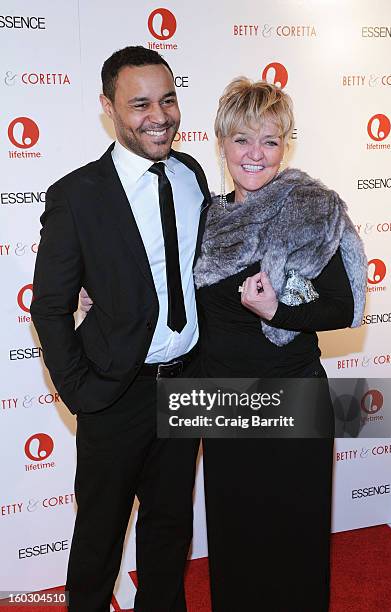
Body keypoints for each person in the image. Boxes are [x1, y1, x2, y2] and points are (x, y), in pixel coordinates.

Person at [30, 46, 211, 612]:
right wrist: (79, 388)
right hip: (115, 391)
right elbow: (50, 306)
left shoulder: (192, 174)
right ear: (109, 108)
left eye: (168, 99)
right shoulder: (77, 195)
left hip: (184, 384)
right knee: (99, 538)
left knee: (168, 527)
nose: (159, 115)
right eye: (139, 104)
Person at [193, 78, 367, 611]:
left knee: (295, 536)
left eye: (269, 141)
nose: (255, 154)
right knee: (235, 532)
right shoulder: (204, 218)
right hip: (223, 401)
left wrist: (278, 311)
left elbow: (343, 306)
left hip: (293, 396)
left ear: (284, 145)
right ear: (221, 143)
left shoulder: (309, 210)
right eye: (242, 139)